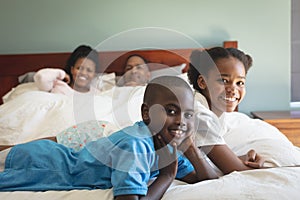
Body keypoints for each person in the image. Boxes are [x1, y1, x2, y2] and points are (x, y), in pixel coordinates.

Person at [0, 76, 218, 199]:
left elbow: (207, 179)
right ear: (145, 113)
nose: (181, 120)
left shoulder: (166, 145)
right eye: (171, 111)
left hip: (52, 160)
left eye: (188, 114)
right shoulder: (137, 145)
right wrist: (167, 177)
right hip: (45, 164)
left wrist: (190, 148)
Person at [187, 47, 265, 175]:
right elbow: (237, 171)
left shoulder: (217, 113)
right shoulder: (199, 115)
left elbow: (211, 159)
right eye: (223, 81)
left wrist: (242, 159)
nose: (233, 89)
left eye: (240, 82)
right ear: (202, 82)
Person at [34, 45, 100, 95]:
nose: (83, 73)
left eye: (89, 70)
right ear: (72, 69)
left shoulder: (96, 94)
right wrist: (62, 74)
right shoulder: (60, 86)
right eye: (79, 68)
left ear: (94, 74)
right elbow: (41, 78)